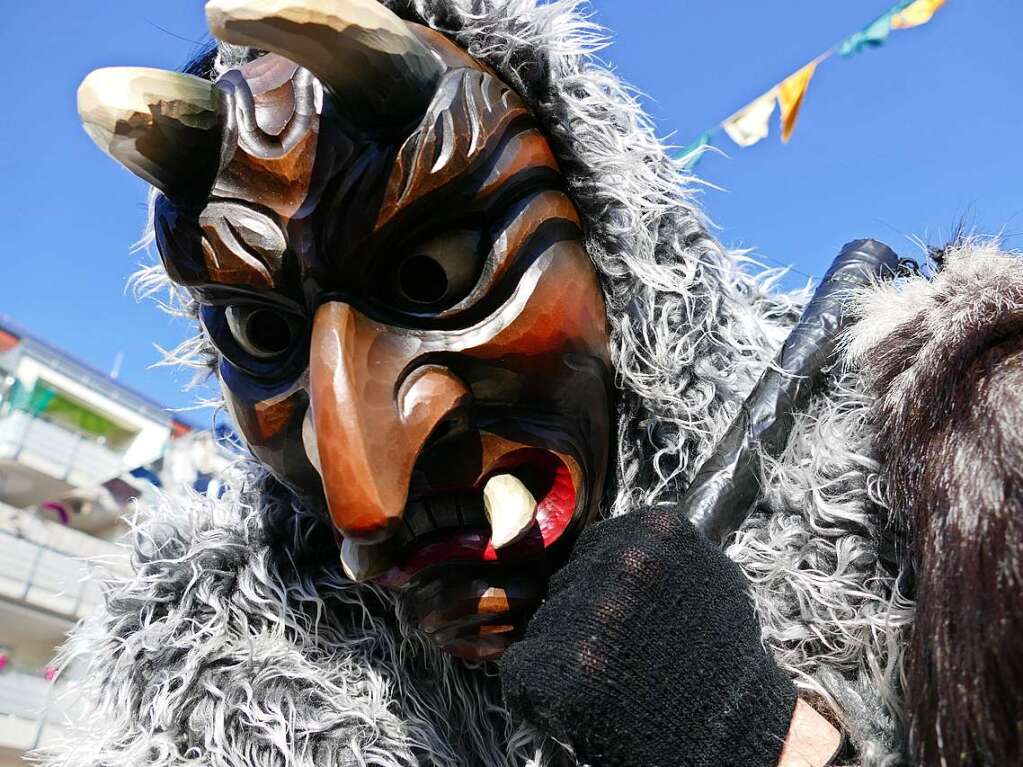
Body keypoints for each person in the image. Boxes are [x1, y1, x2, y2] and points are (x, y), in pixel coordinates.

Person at [54, 1, 1022, 765]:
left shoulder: (963, 461)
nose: (362, 493)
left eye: (432, 274)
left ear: (616, 259)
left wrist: (766, 741)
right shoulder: (214, 702)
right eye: (263, 331)